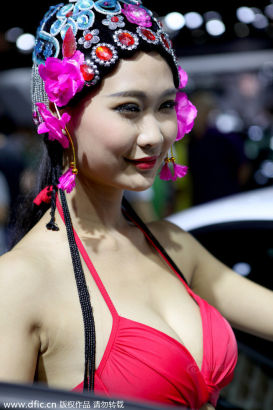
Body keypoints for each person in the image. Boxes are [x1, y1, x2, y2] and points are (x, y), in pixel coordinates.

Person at [0, 1, 272, 409]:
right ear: (59, 114)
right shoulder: (20, 282)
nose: (155, 135)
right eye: (129, 108)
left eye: (165, 106)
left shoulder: (172, 245)